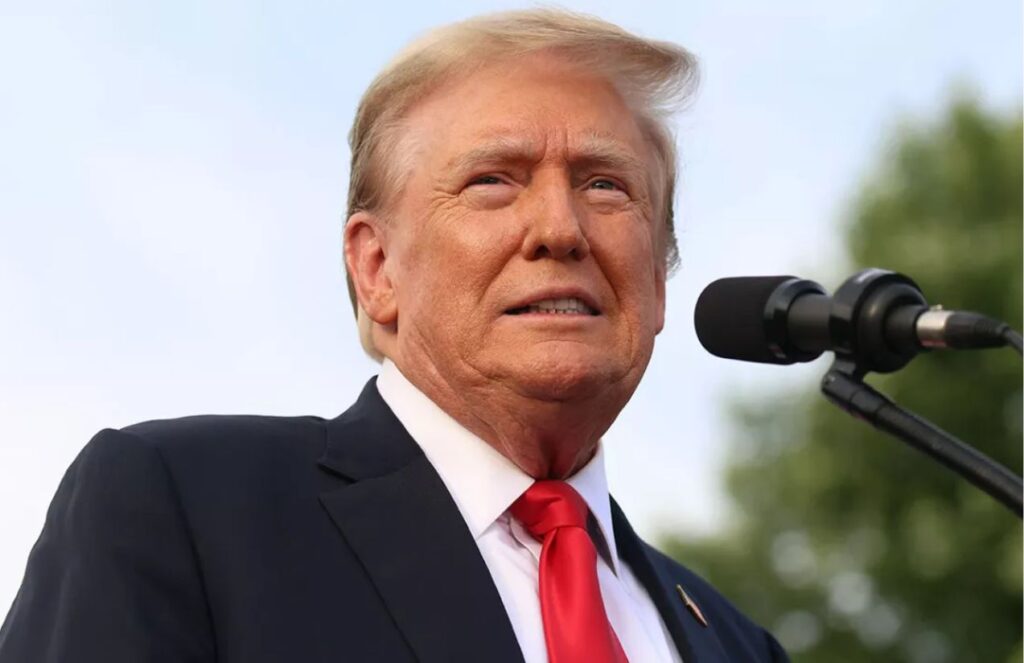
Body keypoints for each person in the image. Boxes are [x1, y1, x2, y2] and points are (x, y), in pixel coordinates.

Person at [0, 9, 788, 662]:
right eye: (493, 180)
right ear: (376, 268)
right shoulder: (185, 511)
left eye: (605, 185)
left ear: (657, 280)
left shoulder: (740, 644)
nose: (560, 228)